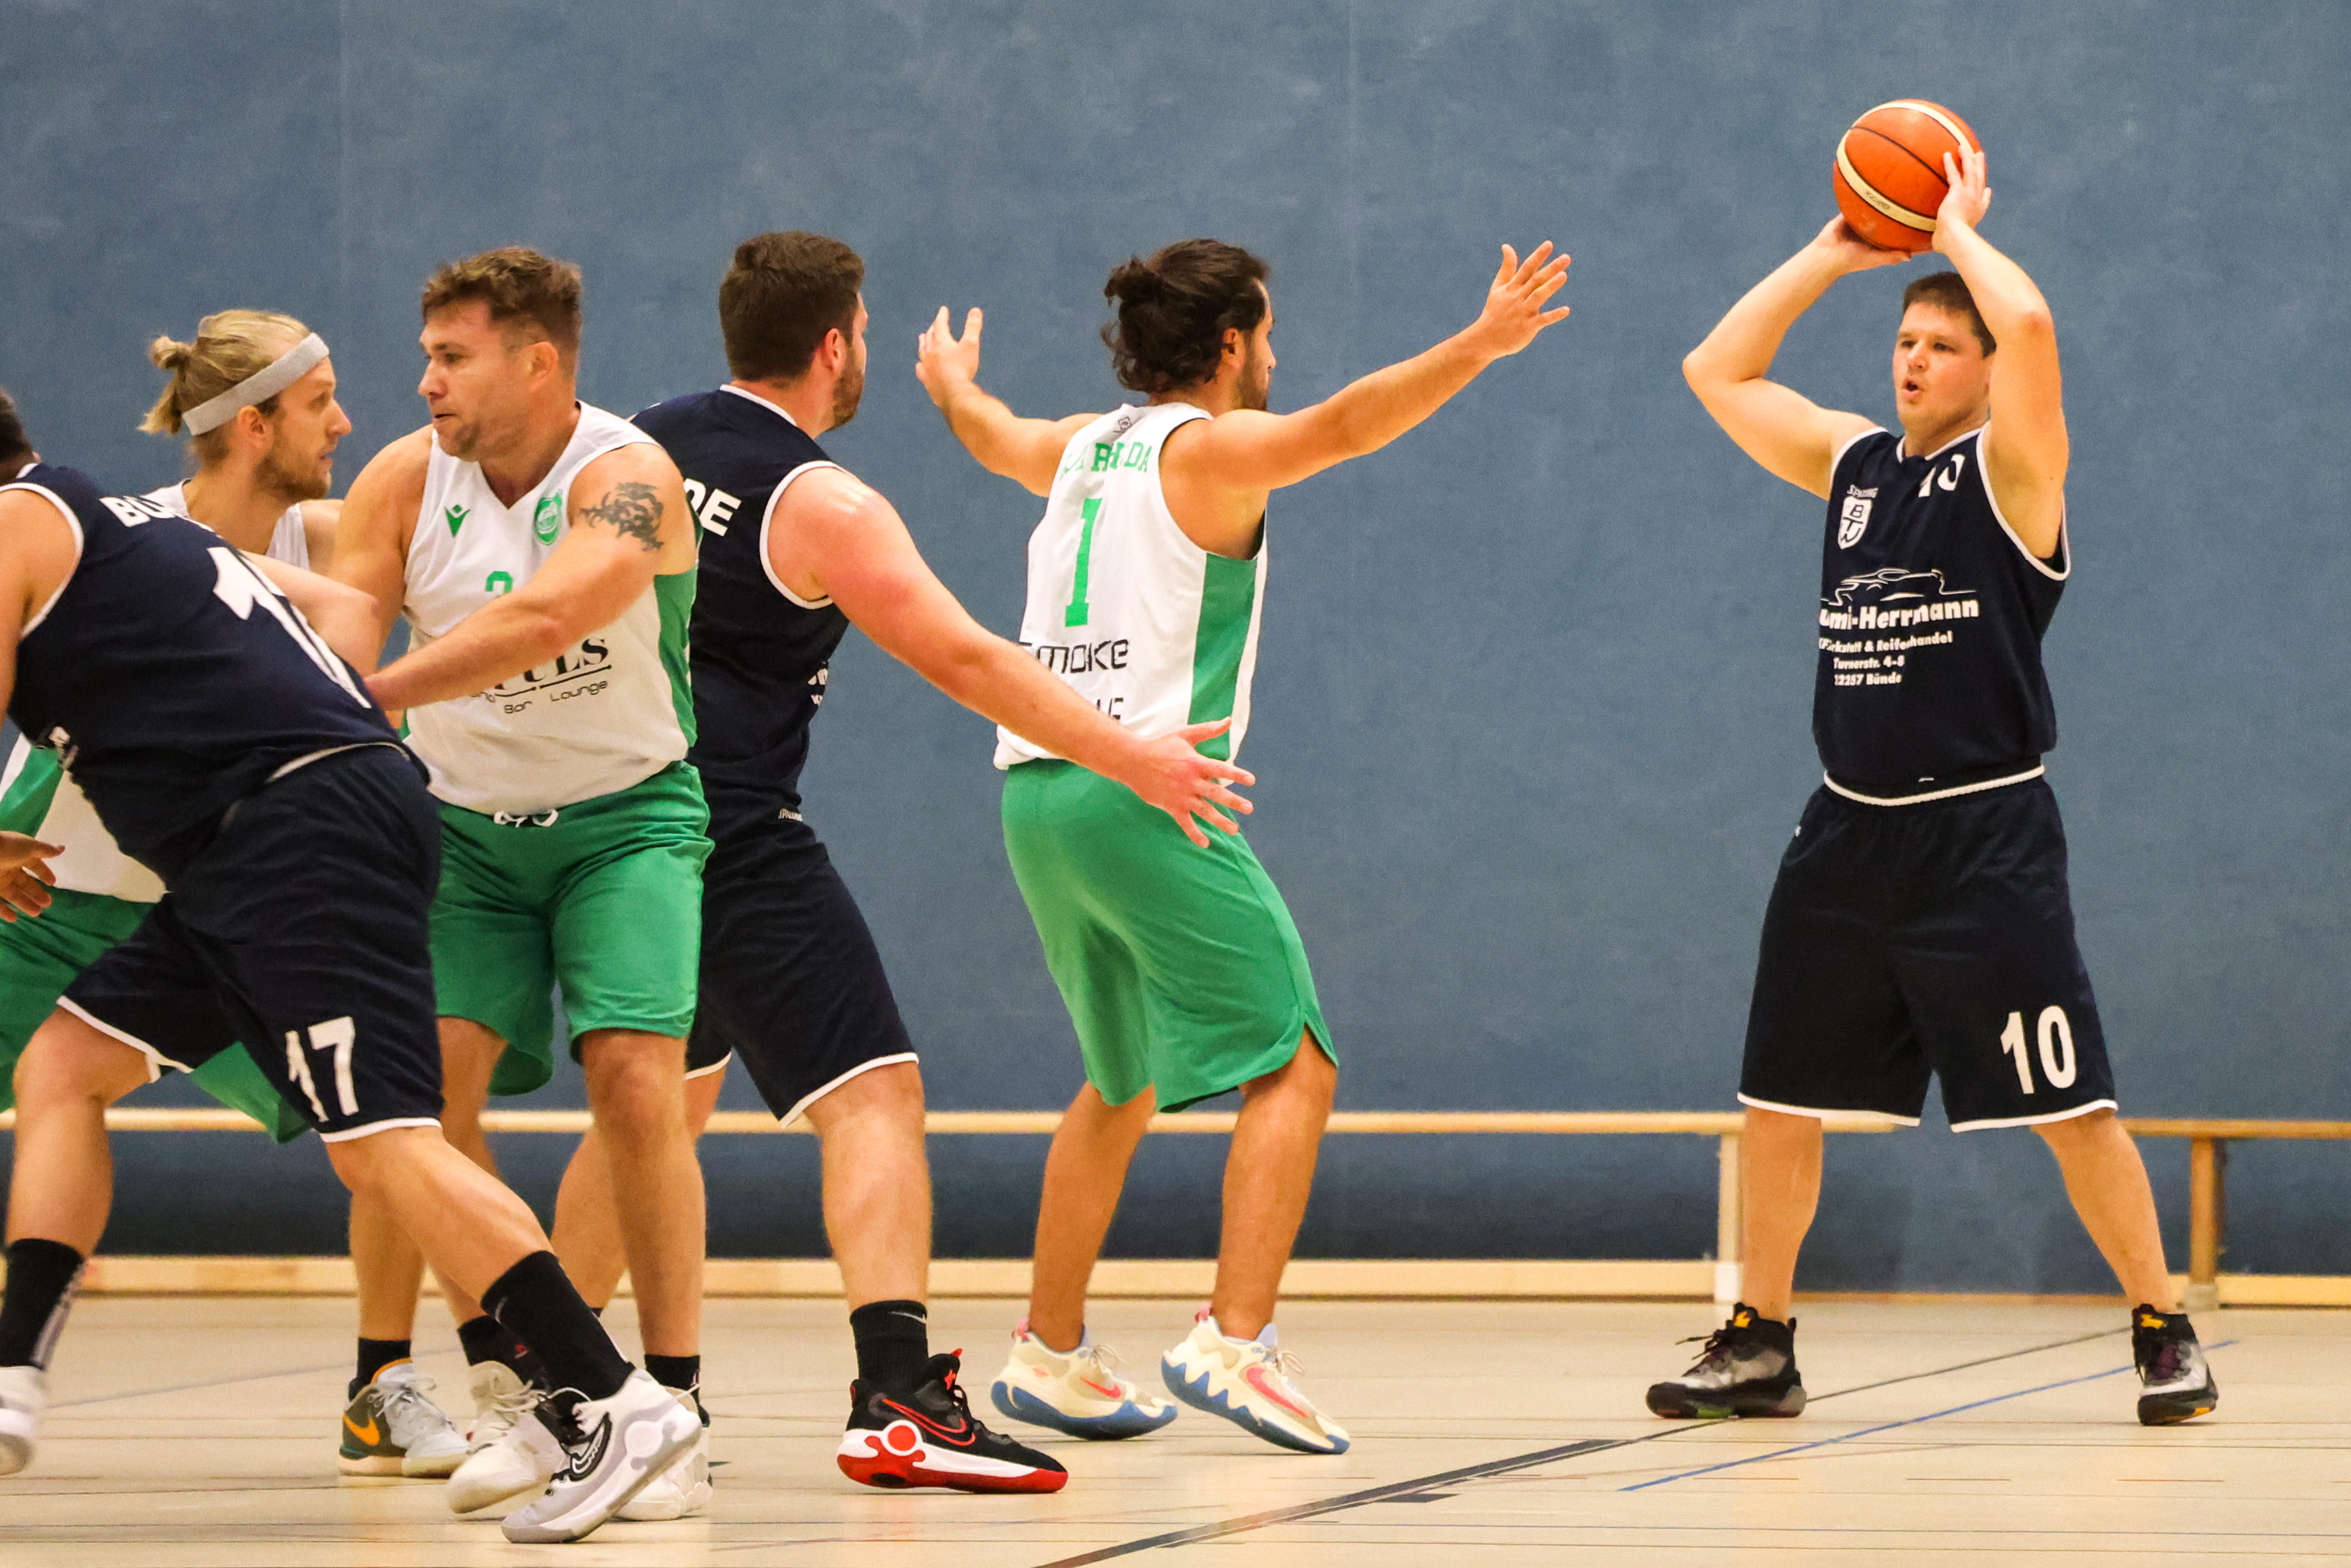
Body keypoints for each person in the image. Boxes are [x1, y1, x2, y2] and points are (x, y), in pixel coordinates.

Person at [0, 389, 697, 1544]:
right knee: (65, 1065)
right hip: (258, 836)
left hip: (292, 826)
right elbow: (331, 611)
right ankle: (14, 1372)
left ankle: (619, 1401)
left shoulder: (19, 520)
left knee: (382, 1144)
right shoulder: (133, 523)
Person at [623, 231, 1256, 1492]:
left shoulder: (640, 445)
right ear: (834, 346)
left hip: (619, 827)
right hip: (727, 826)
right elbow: (967, 657)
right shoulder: (824, 501)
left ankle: (573, 1389)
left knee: (650, 1111)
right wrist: (1130, 752)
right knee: (873, 1093)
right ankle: (898, 1397)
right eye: (862, 332)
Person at [917, 236, 1570, 1454]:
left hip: (1038, 802)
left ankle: (1048, 1351)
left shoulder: (1079, 446)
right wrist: (1481, 344)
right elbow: (1350, 424)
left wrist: (951, 385)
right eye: (1266, 333)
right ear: (1229, 345)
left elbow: (989, 432)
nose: (1276, 354)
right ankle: (1235, 1336)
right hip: (1141, 792)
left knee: (1123, 1081)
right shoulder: (1206, 450)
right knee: (1296, 1061)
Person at [1650, 145, 2216, 1427]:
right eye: (1904, 341)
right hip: (1847, 834)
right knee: (1779, 1099)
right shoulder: (1856, 467)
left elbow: (2031, 323)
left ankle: (2163, 1327)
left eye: (1942, 347)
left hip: (1983, 837)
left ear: (1988, 375)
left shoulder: (2015, 473)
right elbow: (1716, 370)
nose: (1912, 361)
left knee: (2072, 1106)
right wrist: (1836, 250)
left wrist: (1953, 227)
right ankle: (1761, 1340)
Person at [332, 247, 716, 1516]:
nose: (427, 380)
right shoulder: (402, 479)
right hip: (463, 831)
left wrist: (371, 694)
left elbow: (549, 617)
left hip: (626, 819)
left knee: (636, 1081)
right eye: (427, 356)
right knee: (422, 1100)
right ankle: (533, 1392)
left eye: (454, 357)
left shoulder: (629, 478)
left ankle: (676, 1399)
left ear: (538, 361)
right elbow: (341, 637)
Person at [139, 310, 467, 1478]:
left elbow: (473, 611)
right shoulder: (138, 546)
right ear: (252, 424)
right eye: (322, 402)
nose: (346, 422)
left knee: (390, 1128)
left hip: (251, 898)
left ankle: (390, 1381)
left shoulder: (334, 540)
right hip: (79, 893)